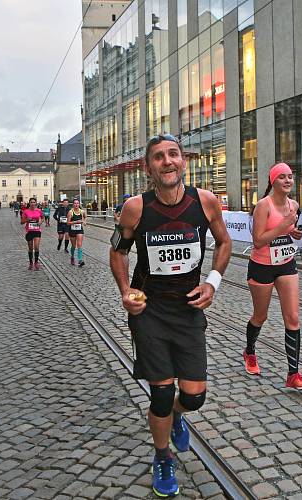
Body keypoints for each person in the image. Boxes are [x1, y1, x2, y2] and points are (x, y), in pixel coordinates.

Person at [109, 133, 231, 497]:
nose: (167, 161)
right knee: (161, 394)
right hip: (150, 311)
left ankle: (178, 414)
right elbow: (118, 251)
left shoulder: (205, 202)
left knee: (193, 396)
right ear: (149, 167)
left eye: (173, 154)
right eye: (158, 156)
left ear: (183, 161)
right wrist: (125, 291)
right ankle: (162, 456)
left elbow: (224, 242)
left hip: (189, 308)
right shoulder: (136, 208)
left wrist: (212, 283)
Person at [244, 163, 302, 391]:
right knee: (260, 316)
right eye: (282, 177)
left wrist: (294, 232)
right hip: (262, 265)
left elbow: (287, 232)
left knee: (293, 318)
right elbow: (258, 240)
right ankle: (250, 352)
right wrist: (284, 224)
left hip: (285, 263)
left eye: (290, 177)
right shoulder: (263, 205)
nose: (287, 180)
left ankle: (293, 374)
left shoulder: (293, 205)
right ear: (273, 181)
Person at [21, 198, 44, 270]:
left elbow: (43, 218)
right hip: (29, 231)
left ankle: (36, 263)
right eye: (31, 202)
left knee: (36, 247)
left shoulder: (39, 211)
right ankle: (31, 263)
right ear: (29, 203)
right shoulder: (26, 211)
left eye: (34, 202)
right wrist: (27, 220)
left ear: (36, 203)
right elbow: (22, 222)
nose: (33, 203)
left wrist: (40, 222)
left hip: (37, 230)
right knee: (30, 248)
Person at [66, 198, 86, 267]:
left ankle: (80, 260)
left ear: (79, 204)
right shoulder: (70, 212)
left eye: (77, 203)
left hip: (80, 230)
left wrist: (84, 222)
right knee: (73, 246)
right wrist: (76, 222)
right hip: (72, 230)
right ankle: (72, 257)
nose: (76, 204)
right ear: (73, 204)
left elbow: (85, 217)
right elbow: (68, 223)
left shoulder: (82, 211)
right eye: (75, 203)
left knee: (79, 244)